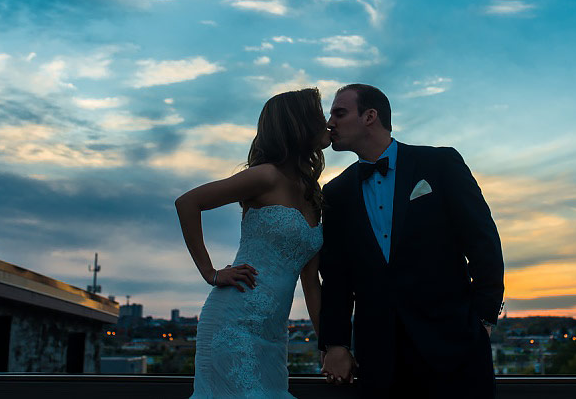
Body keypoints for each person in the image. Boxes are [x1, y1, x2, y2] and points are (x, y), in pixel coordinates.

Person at [318, 84, 504, 398]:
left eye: (339, 112)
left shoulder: (440, 164)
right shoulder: (335, 193)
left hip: (454, 350)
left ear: (370, 117)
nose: (330, 123)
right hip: (379, 362)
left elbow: (483, 244)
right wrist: (335, 344)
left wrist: (483, 321)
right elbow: (336, 278)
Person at [176, 88, 331, 398]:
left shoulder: (313, 193)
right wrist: (212, 273)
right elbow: (188, 203)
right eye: (319, 115)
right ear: (298, 124)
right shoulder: (265, 176)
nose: (327, 122)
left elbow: (311, 284)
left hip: (274, 337)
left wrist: (327, 347)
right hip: (232, 323)